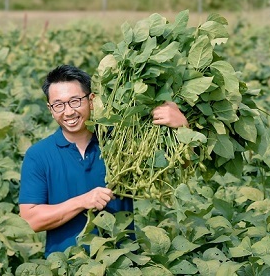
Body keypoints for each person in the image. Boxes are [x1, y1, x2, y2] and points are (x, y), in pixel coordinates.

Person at [18, 65, 188, 257]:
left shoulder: (122, 144)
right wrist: (82, 201)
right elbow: (30, 220)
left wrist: (182, 127)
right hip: (66, 266)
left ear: (91, 100)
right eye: (59, 104)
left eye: (75, 101)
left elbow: (178, 168)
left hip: (122, 263)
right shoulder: (38, 155)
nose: (68, 112)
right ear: (50, 109)